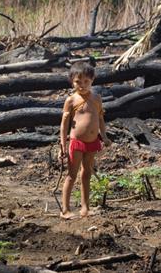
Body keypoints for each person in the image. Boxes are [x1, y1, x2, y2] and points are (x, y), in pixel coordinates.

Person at [58, 62, 112, 219]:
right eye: (78, 82)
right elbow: (64, 125)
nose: (82, 85)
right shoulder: (71, 100)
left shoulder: (96, 98)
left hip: (92, 142)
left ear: (92, 80)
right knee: (71, 175)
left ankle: (85, 208)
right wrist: (63, 145)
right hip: (76, 143)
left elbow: (100, 118)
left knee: (87, 173)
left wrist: (105, 136)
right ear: (72, 82)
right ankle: (65, 210)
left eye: (86, 82)